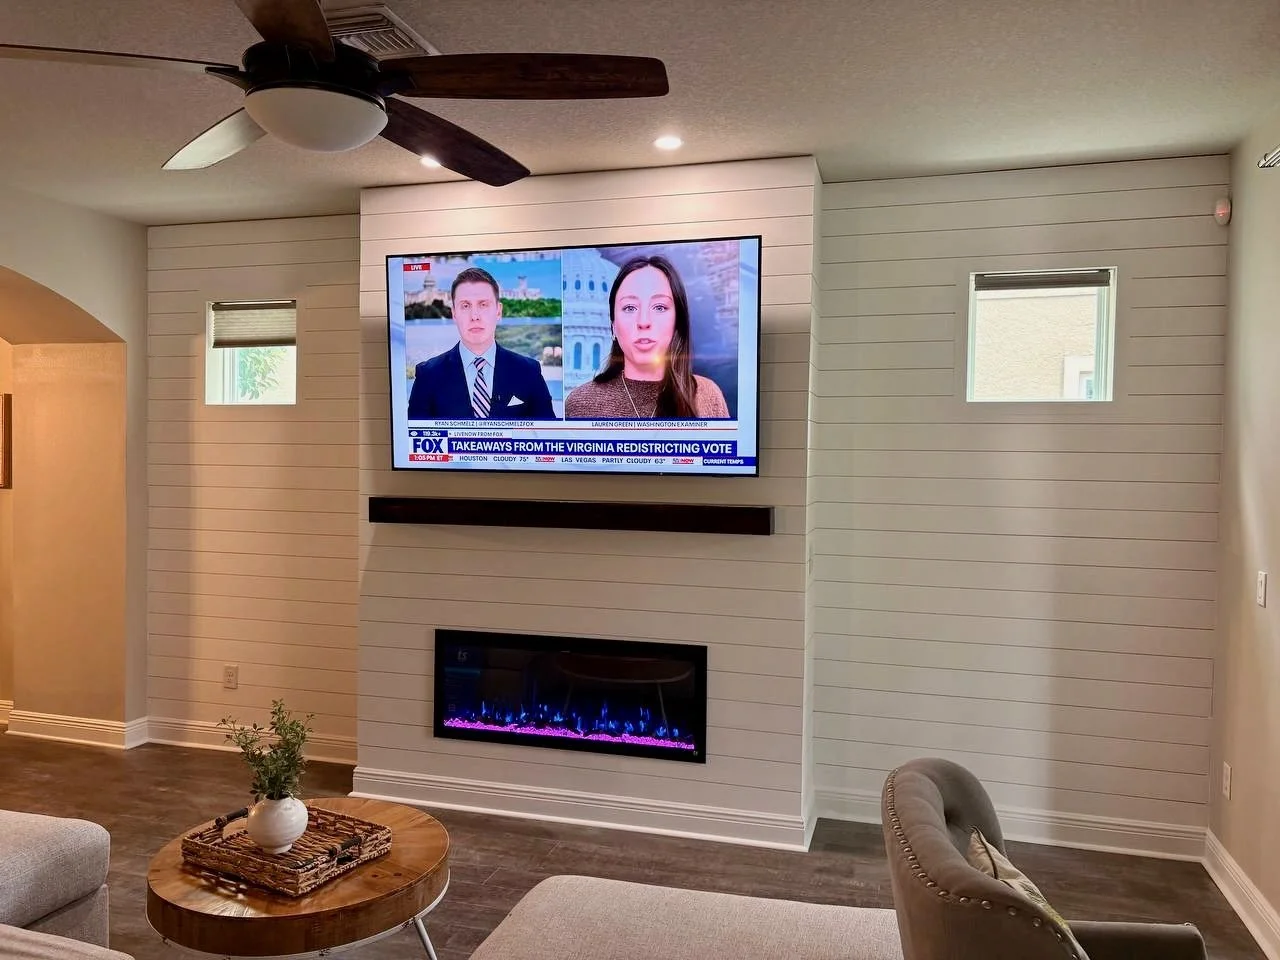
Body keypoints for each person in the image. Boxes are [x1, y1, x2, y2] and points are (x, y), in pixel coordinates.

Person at [564, 255, 729, 419]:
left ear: (677, 321)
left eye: (659, 307)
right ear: (613, 325)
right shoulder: (580, 404)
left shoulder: (708, 396)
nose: (644, 322)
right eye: (629, 308)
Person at [407, 266, 557, 420]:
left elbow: (548, 438)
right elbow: (413, 441)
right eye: (465, 306)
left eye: (483, 304)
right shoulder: (428, 376)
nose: (475, 316)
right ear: (454, 313)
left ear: (498, 311)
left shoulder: (529, 372)